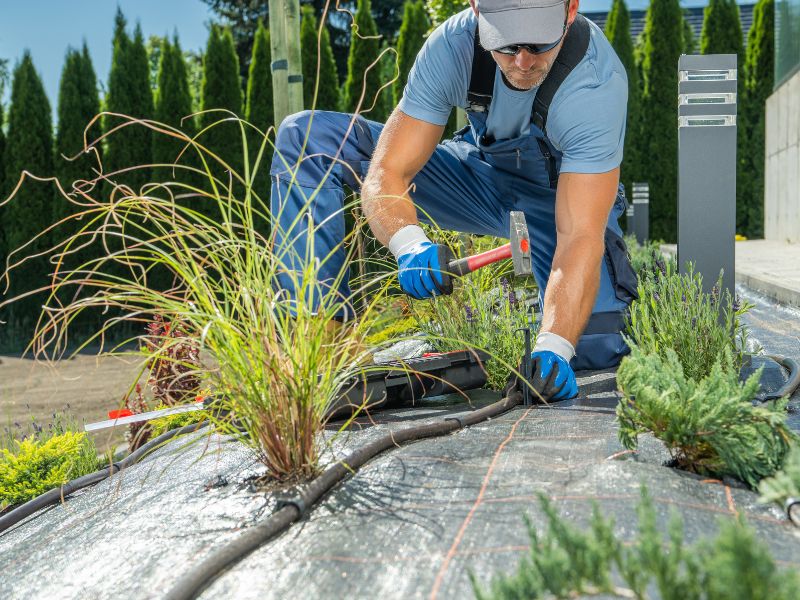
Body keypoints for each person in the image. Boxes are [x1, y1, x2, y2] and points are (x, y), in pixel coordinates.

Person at [270, 0, 638, 402]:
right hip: (477, 179)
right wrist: (408, 243)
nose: (524, 62)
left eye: (538, 42)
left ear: (570, 10)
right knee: (309, 141)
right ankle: (319, 345)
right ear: (478, 12)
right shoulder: (453, 45)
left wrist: (556, 345)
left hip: (557, 201)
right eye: (507, 45)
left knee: (592, 345)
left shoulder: (595, 82)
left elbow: (581, 234)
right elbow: (388, 171)